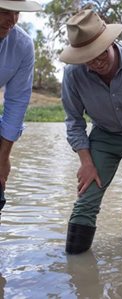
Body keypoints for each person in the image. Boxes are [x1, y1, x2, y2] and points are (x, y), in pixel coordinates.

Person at [59, 9, 122, 254]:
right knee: (86, 197)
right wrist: (86, 162)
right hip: (103, 136)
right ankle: (75, 271)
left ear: (111, 42)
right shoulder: (73, 75)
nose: (96, 62)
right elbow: (74, 121)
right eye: (87, 57)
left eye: (100, 52)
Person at [0, 0, 42, 218]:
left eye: (16, 13)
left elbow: (16, 102)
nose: (12, 20)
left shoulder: (22, 44)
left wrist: (3, 157)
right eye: (4, 12)